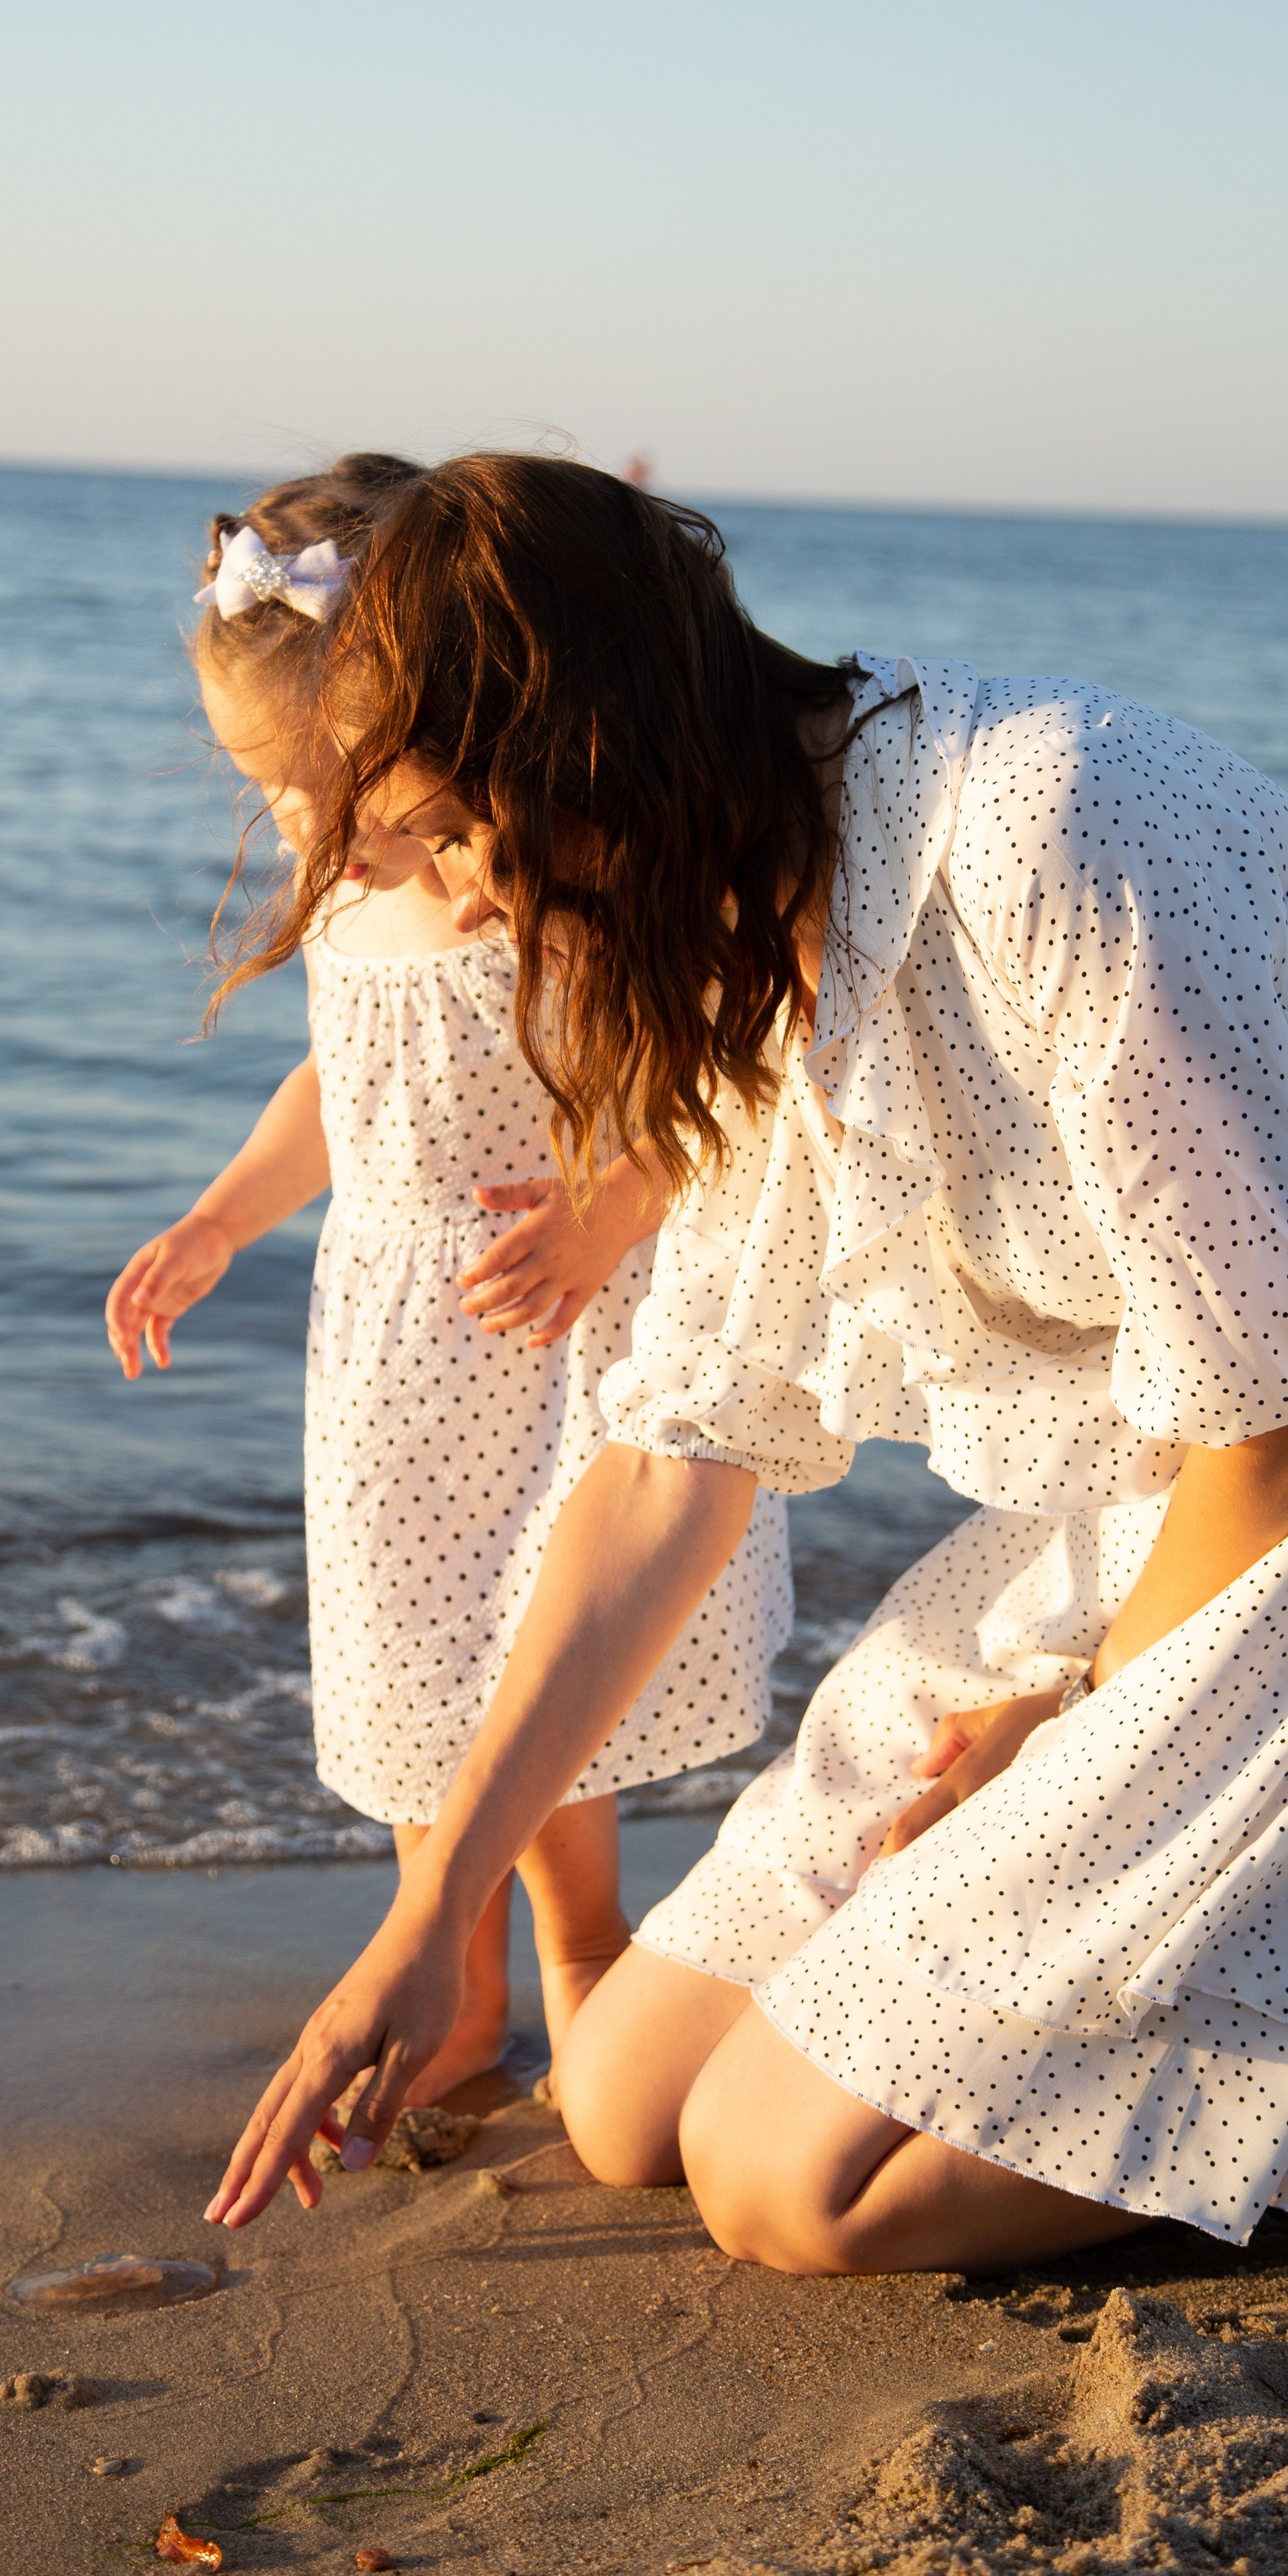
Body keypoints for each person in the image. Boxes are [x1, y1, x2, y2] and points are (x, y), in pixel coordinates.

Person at [201, 450, 1288, 2265]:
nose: (445, 902)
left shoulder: (1043, 833)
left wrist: (1065, 1720)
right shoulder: (735, 930)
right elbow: (664, 1465)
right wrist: (420, 1916)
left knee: (788, 2185)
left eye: (450, 832)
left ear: (581, 750)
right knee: (618, 2102)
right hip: (1155, 1509)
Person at [105, 459, 791, 2104]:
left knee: (540, 1665)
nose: (306, 832)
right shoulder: (345, 903)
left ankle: (578, 1966)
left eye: (325, 790)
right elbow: (340, 1090)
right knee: (417, 1665)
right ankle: (454, 1989)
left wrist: (606, 1216)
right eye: (270, 795)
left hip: (559, 1331)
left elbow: (724, 1088)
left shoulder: (534, 876)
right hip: (401, 1345)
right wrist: (216, 1220)